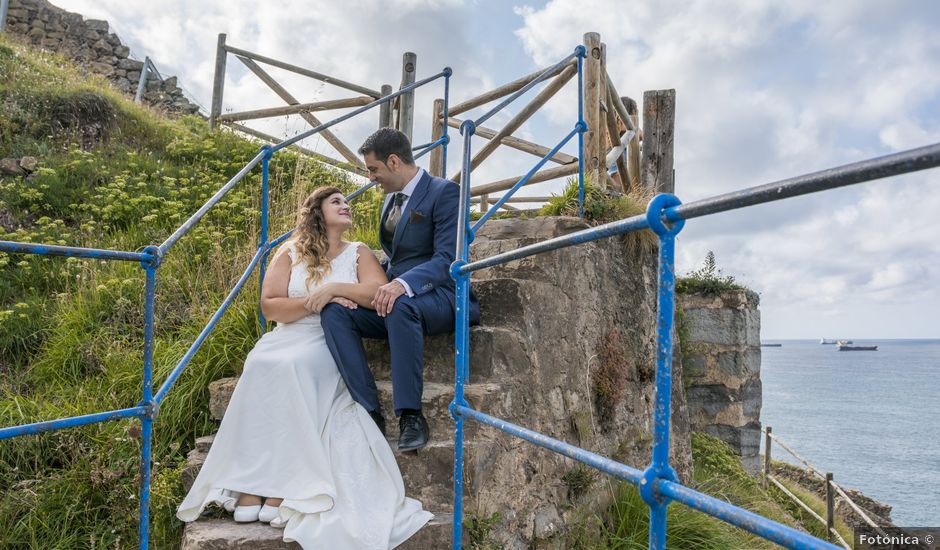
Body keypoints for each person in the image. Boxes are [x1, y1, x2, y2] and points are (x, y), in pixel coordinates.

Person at [177, 186, 432, 548]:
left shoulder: (358, 253)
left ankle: (283, 485)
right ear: (317, 210)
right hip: (287, 333)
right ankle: (252, 483)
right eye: (337, 201)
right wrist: (316, 302)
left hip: (326, 338)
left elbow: (376, 292)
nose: (346, 206)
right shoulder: (290, 252)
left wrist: (332, 292)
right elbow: (270, 306)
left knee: (295, 368)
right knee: (262, 362)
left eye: (347, 202)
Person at [321, 128, 480, 453]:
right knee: (335, 310)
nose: (370, 176)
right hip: (396, 298)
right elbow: (394, 259)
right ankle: (369, 411)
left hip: (442, 295)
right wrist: (355, 291)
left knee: (399, 304)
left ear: (393, 161)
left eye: (373, 169)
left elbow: (449, 258)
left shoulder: (445, 192)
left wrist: (403, 285)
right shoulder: (389, 202)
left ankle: (410, 416)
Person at [608, 95, 642, 191]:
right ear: (632, 111)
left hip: (613, 174)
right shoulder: (628, 126)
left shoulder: (610, 128)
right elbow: (642, 135)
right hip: (622, 175)